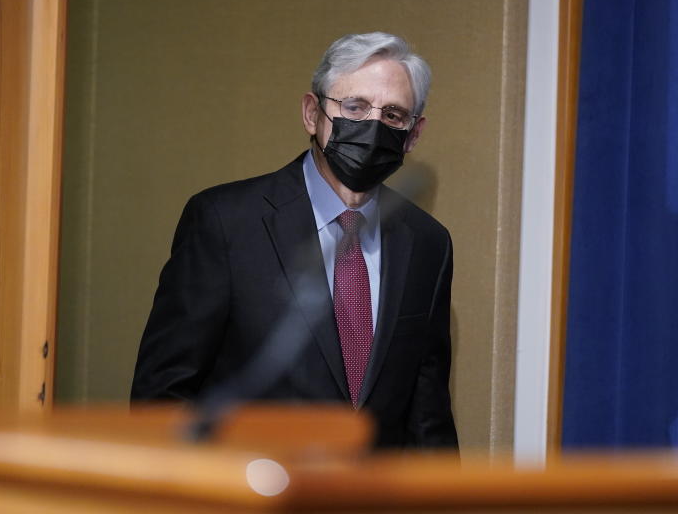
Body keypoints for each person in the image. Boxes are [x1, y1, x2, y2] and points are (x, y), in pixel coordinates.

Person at [131, 32, 457, 449]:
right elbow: (163, 395)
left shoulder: (428, 243)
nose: (373, 126)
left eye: (393, 115)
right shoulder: (225, 221)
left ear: (413, 134)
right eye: (354, 106)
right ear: (312, 113)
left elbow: (428, 415)